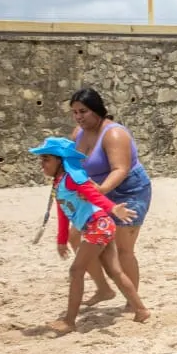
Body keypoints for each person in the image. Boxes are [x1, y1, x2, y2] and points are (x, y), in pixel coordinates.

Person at [31, 137, 149, 335]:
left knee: (76, 271)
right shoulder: (59, 182)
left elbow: (93, 194)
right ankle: (141, 309)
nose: (42, 164)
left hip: (98, 225)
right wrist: (61, 240)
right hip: (100, 225)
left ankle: (69, 321)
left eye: (46, 159)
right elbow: (63, 212)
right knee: (115, 271)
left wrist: (113, 208)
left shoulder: (72, 177)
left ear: (60, 160)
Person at [68, 87, 152, 308]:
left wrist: (101, 191)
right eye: (75, 112)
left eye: (83, 111)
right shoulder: (78, 134)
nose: (78, 117)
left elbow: (120, 168)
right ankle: (103, 288)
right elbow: (72, 163)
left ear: (97, 110)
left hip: (129, 190)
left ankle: (132, 302)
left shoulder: (115, 133)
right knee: (76, 237)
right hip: (97, 190)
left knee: (123, 248)